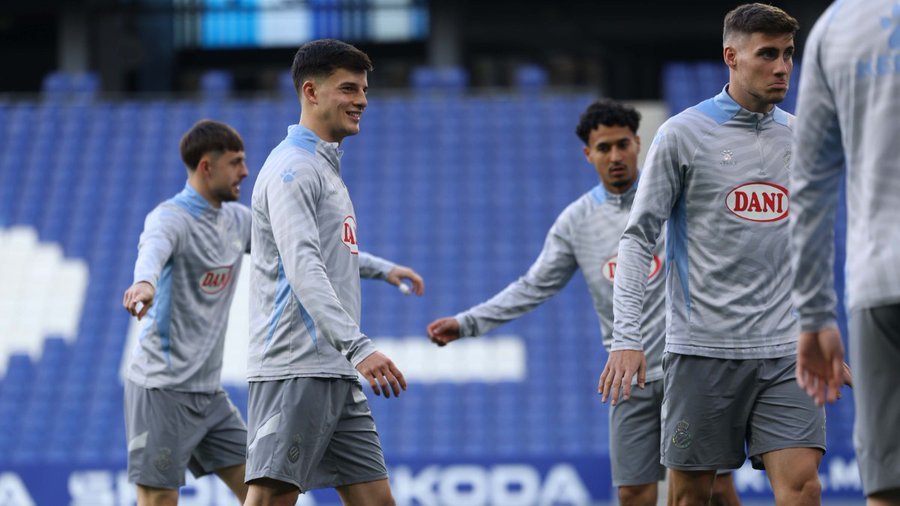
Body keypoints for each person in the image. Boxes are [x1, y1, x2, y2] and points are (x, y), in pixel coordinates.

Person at [426, 99, 740, 506]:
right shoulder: (577, 221)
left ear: (638, 144)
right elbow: (533, 286)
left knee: (715, 488)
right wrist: (467, 323)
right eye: (604, 148)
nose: (615, 156)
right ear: (588, 154)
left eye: (622, 144)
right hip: (628, 376)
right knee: (633, 493)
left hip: (689, 367)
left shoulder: (677, 199)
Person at [122, 119, 422, 506]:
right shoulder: (170, 219)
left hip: (208, 394)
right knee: (161, 499)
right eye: (235, 162)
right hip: (160, 388)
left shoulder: (237, 221)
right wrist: (145, 282)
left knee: (259, 491)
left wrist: (385, 269)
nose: (245, 171)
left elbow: (307, 249)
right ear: (206, 167)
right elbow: (152, 250)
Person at [601, 4, 826, 505]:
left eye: (788, 54)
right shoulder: (682, 134)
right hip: (703, 351)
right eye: (767, 54)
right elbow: (638, 239)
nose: (782, 67)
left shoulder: (801, 136)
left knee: (804, 486)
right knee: (690, 497)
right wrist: (627, 338)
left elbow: (810, 241)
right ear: (731, 57)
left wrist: (820, 326)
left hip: (785, 352)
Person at [244, 39, 406, 506]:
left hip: (333, 369)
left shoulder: (323, 168)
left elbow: (332, 255)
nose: (362, 100)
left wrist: (384, 270)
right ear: (311, 92)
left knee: (377, 501)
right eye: (349, 88)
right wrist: (358, 346)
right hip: (296, 367)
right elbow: (303, 266)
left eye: (364, 90)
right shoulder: (293, 169)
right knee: (270, 499)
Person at [790, 0, 900, 504]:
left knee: (887, 484)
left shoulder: (835, 26)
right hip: (875, 283)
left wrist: (814, 314)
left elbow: (810, 185)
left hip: (878, 281)